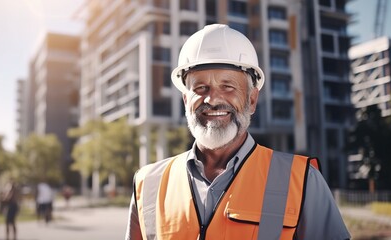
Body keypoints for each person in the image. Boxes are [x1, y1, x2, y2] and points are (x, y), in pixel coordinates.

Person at [125, 24, 351, 240]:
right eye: (200, 88)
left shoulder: (301, 180)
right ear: (186, 101)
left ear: (252, 100)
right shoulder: (148, 183)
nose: (212, 99)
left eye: (228, 87)